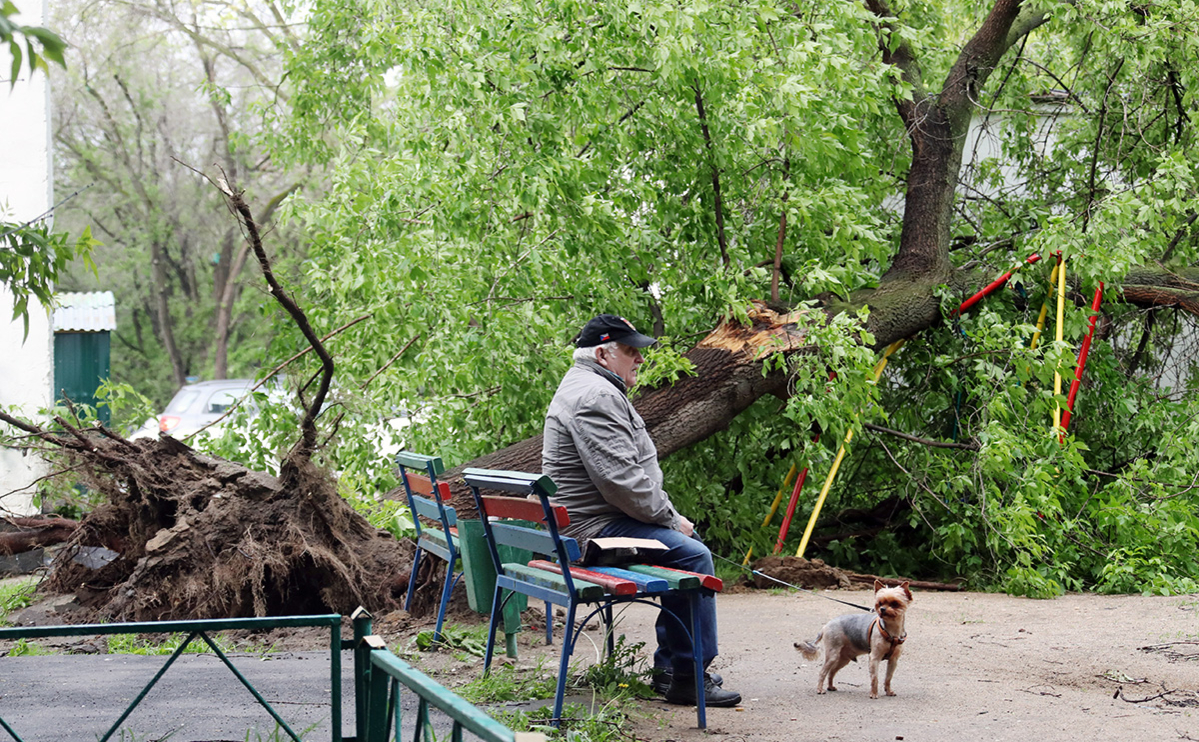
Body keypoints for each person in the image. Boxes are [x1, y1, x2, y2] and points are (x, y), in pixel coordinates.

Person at [541, 314, 741, 708]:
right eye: (630, 351)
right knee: (693, 553)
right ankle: (687, 675)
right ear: (602, 353)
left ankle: (674, 669)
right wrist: (670, 518)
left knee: (686, 545)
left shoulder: (589, 386)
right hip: (591, 532)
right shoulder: (595, 396)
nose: (640, 359)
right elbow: (621, 483)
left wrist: (669, 519)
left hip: (588, 524)